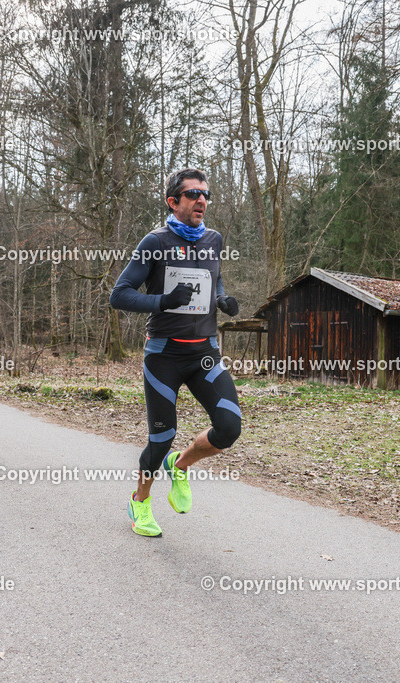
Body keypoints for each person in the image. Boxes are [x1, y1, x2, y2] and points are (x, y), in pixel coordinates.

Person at [109, 168, 241, 537]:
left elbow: (213, 279)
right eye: (194, 194)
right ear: (173, 201)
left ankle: (179, 466)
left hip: (205, 354)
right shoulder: (155, 241)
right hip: (164, 356)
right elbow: (119, 295)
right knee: (161, 437)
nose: (202, 200)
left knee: (229, 428)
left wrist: (222, 299)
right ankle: (140, 502)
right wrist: (164, 301)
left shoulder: (213, 239)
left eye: (206, 194)